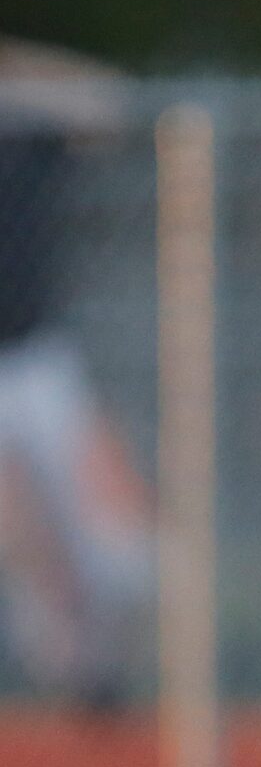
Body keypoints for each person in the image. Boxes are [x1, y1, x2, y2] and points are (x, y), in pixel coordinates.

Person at [0, 39, 153, 716]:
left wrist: (17, 66)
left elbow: (109, 104)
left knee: (121, 534)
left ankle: (101, 665)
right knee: (20, 528)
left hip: (37, 354)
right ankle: (65, 662)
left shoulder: (27, 123)